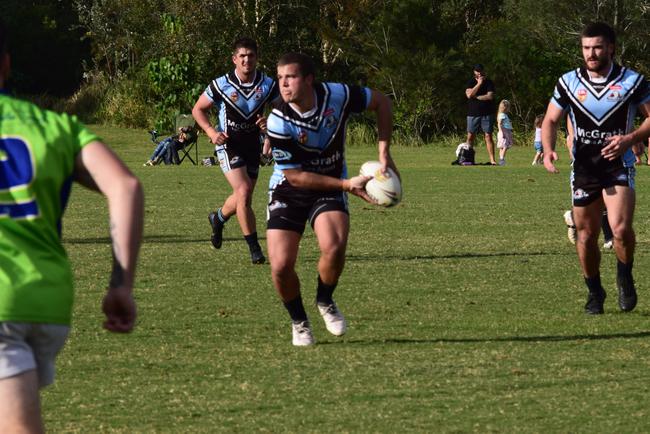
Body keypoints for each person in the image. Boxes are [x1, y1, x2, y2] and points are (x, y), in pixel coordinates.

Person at [0, 19, 143, 432]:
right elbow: (126, 187)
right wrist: (121, 284)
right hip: (43, 302)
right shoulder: (54, 127)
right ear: (7, 64)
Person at [266, 52, 398, 346]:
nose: (284, 84)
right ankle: (299, 322)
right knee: (280, 265)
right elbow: (296, 177)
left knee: (334, 247)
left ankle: (325, 300)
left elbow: (381, 102)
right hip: (289, 188)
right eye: (280, 78)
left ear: (309, 79)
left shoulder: (337, 95)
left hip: (330, 184)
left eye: (291, 77)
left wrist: (384, 151)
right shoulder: (277, 119)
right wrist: (346, 184)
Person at [542, 22, 650, 315]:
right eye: (586, 48)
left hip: (619, 165)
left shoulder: (633, 81)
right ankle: (594, 291)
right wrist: (549, 149)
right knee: (586, 234)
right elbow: (551, 120)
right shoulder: (568, 82)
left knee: (621, 229)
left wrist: (630, 139)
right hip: (584, 169)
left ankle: (625, 275)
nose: (591, 53)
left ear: (611, 48)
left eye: (597, 47)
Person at [192, 37, 278, 264]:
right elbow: (198, 109)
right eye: (242, 56)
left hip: (253, 146)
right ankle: (255, 249)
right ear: (234, 59)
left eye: (250, 55)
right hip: (228, 145)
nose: (246, 60)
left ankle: (218, 218)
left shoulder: (268, 85)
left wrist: (271, 126)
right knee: (243, 190)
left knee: (244, 195)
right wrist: (211, 132)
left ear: (257, 59)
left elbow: (284, 110)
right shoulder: (221, 84)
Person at [465, 64, 497, 165]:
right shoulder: (471, 82)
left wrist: (477, 97)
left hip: (487, 113)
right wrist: (479, 84)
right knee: (470, 136)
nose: (479, 73)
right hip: (473, 113)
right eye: (477, 71)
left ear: (483, 71)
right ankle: (468, 159)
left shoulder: (489, 82)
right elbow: (469, 95)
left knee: (488, 136)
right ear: (474, 72)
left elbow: (489, 96)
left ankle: (492, 160)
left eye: (480, 71)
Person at [496, 99, 513, 165]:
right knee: (505, 145)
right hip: (504, 131)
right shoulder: (502, 115)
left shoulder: (502, 114)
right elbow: (499, 123)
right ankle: (502, 159)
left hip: (505, 131)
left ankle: (501, 159)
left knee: (502, 147)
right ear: (505, 108)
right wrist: (501, 131)